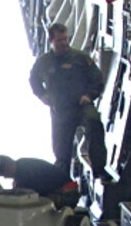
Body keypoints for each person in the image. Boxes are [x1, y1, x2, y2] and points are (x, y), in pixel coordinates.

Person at [27, 23, 107, 179]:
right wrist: (42, 96)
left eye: (65, 39)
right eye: (59, 41)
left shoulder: (81, 58)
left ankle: (99, 169)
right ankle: (62, 182)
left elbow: (97, 79)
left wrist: (90, 95)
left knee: (94, 122)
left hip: (82, 105)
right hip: (61, 110)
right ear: (51, 42)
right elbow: (33, 80)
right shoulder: (44, 62)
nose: (64, 43)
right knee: (61, 152)